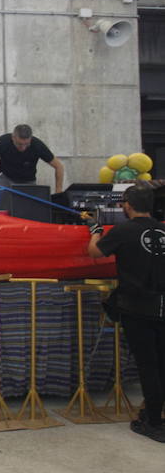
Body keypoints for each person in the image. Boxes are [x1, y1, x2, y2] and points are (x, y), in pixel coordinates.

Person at [87, 184, 165, 442]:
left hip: (137, 306)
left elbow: (95, 253)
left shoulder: (124, 231)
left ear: (128, 205)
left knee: (148, 365)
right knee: (162, 363)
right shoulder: (163, 228)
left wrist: (95, 232)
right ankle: (156, 415)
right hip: (162, 305)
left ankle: (154, 422)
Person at [0, 124, 64, 211]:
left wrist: (58, 191)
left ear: (30, 139)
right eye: (19, 144)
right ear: (13, 138)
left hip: (28, 181)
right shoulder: (3, 142)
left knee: (30, 209)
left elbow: (59, 166)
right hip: (6, 177)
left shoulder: (37, 145)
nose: (23, 147)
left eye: (26, 144)